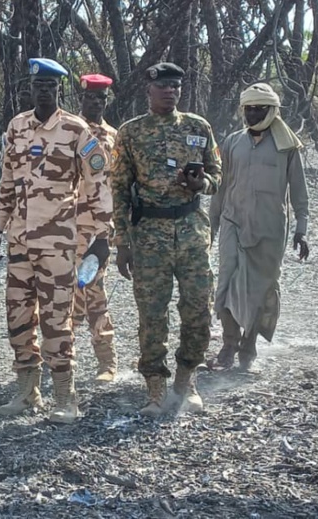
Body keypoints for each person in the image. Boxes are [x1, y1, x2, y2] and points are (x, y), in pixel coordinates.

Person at [0, 58, 112, 424]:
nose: (43, 91)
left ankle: (65, 397)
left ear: (59, 90)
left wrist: (101, 237)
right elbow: (7, 180)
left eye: (50, 86)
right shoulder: (17, 127)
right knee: (18, 315)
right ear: (30, 88)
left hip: (59, 243)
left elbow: (98, 185)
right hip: (20, 242)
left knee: (58, 319)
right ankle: (27, 391)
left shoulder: (76, 131)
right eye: (37, 85)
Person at [111, 62, 222, 417]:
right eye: (163, 87)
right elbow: (119, 189)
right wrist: (122, 242)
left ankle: (186, 381)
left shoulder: (197, 126)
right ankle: (156, 388)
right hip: (148, 237)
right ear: (149, 90)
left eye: (175, 87)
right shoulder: (131, 132)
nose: (170, 92)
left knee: (198, 310)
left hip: (191, 231)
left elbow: (217, 174)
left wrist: (200, 184)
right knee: (152, 316)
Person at [210, 83, 309, 371]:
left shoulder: (287, 147)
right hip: (233, 223)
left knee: (260, 290)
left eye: (259, 109)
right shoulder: (231, 142)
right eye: (248, 108)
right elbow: (221, 187)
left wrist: (301, 229)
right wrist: (212, 223)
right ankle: (228, 344)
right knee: (226, 285)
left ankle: (248, 346)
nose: (252, 113)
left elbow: (299, 193)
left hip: (269, 230)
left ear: (272, 111)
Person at [73, 73, 120, 383]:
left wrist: (109, 231)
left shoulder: (114, 136)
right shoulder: (69, 131)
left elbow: (114, 182)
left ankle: (107, 362)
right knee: (65, 294)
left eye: (101, 99)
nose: (95, 103)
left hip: (99, 228)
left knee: (95, 294)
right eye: (90, 98)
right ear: (82, 99)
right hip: (68, 226)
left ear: (107, 101)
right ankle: (65, 359)